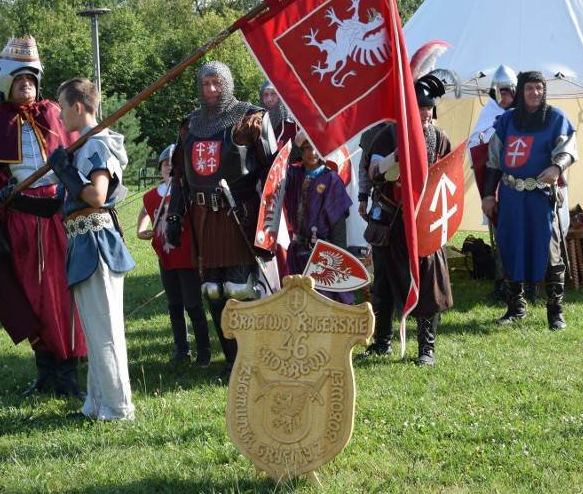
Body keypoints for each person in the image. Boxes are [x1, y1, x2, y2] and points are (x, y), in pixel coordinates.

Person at [0, 36, 86, 399]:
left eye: (31, 80)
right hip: (21, 223)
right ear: (6, 82)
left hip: (59, 219)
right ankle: (46, 372)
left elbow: (79, 160)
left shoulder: (54, 113)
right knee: (32, 296)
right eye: (20, 79)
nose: (27, 85)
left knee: (63, 296)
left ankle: (68, 374)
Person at [165, 61, 277, 383]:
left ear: (226, 84)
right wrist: (174, 214)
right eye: (205, 85)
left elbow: (272, 175)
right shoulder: (189, 126)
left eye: (216, 83)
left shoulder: (251, 118)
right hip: (203, 218)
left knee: (239, 289)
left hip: (238, 215)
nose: (211, 89)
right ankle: (232, 361)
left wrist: (268, 225)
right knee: (212, 291)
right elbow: (178, 177)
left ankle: (253, 358)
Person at [47, 77, 137, 420]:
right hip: (82, 241)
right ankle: (96, 404)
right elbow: (66, 204)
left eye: (62, 108)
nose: (60, 116)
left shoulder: (96, 143)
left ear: (78, 107)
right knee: (95, 328)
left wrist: (66, 172)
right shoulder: (82, 146)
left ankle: (118, 408)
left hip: (98, 242)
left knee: (105, 329)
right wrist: (15, 200)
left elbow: (97, 196)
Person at [361, 75, 454, 365]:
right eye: (420, 108)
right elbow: (374, 171)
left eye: (429, 109)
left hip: (424, 223)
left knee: (430, 284)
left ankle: (426, 348)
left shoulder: (439, 138)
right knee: (384, 284)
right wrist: (395, 157)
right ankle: (382, 343)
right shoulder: (387, 135)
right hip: (389, 220)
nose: (425, 113)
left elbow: (448, 180)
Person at [481, 71, 577, 330]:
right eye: (529, 88)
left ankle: (555, 311)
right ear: (521, 92)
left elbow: (567, 148)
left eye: (539, 88)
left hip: (541, 197)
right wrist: (488, 195)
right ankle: (516, 307)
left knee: (550, 250)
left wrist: (557, 167)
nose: (535, 93)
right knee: (511, 246)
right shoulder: (507, 120)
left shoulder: (555, 118)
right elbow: (493, 160)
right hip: (511, 196)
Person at [137, 144, 212, 368]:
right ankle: (182, 349)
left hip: (186, 254)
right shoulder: (152, 196)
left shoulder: (187, 192)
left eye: (173, 164)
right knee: (174, 305)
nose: (169, 167)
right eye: (165, 164)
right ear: (160, 168)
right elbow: (143, 214)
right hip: (166, 256)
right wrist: (141, 231)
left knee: (193, 304)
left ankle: (204, 351)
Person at [284, 131, 353, 304]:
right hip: (297, 251)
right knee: (297, 302)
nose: (312, 153)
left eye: (316, 148)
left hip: (323, 253)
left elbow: (338, 222)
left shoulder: (331, 179)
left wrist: (338, 258)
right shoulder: (292, 175)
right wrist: (296, 142)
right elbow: (277, 167)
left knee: (322, 303)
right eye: (307, 148)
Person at [467, 65, 517, 302]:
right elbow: (475, 144)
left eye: (508, 91)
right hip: (497, 184)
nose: (504, 96)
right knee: (501, 235)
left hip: (522, 185)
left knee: (524, 235)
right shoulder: (490, 113)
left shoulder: (526, 114)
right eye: (500, 91)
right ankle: (502, 283)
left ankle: (530, 285)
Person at [259, 80, 298, 147]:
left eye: (274, 93)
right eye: (265, 94)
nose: (269, 99)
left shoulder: (294, 125)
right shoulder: (257, 124)